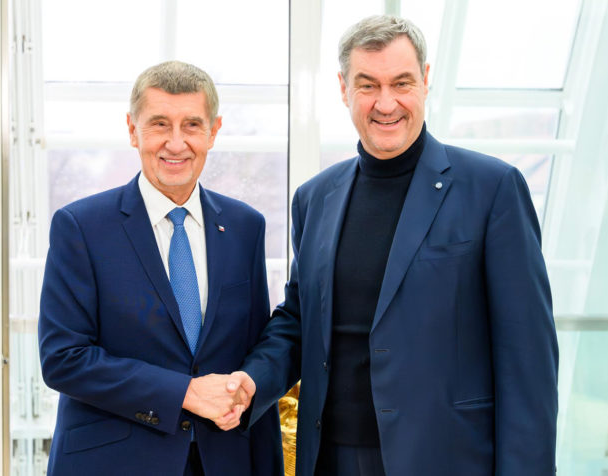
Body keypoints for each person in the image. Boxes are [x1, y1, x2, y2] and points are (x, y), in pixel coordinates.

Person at [229, 15, 559, 476]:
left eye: (401, 82)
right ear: (344, 89)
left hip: (445, 459)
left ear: (425, 81)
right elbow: (301, 320)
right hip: (330, 458)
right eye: (368, 85)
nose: (386, 103)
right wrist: (252, 381)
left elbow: (528, 362)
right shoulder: (315, 198)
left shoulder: (493, 189)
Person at [38, 60, 282, 476]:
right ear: (133, 131)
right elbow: (63, 358)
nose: (175, 143)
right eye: (159, 125)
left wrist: (247, 383)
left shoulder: (245, 226)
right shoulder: (81, 226)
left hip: (224, 458)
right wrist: (185, 393)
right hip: (116, 461)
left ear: (213, 131)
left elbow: (255, 338)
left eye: (191, 125)